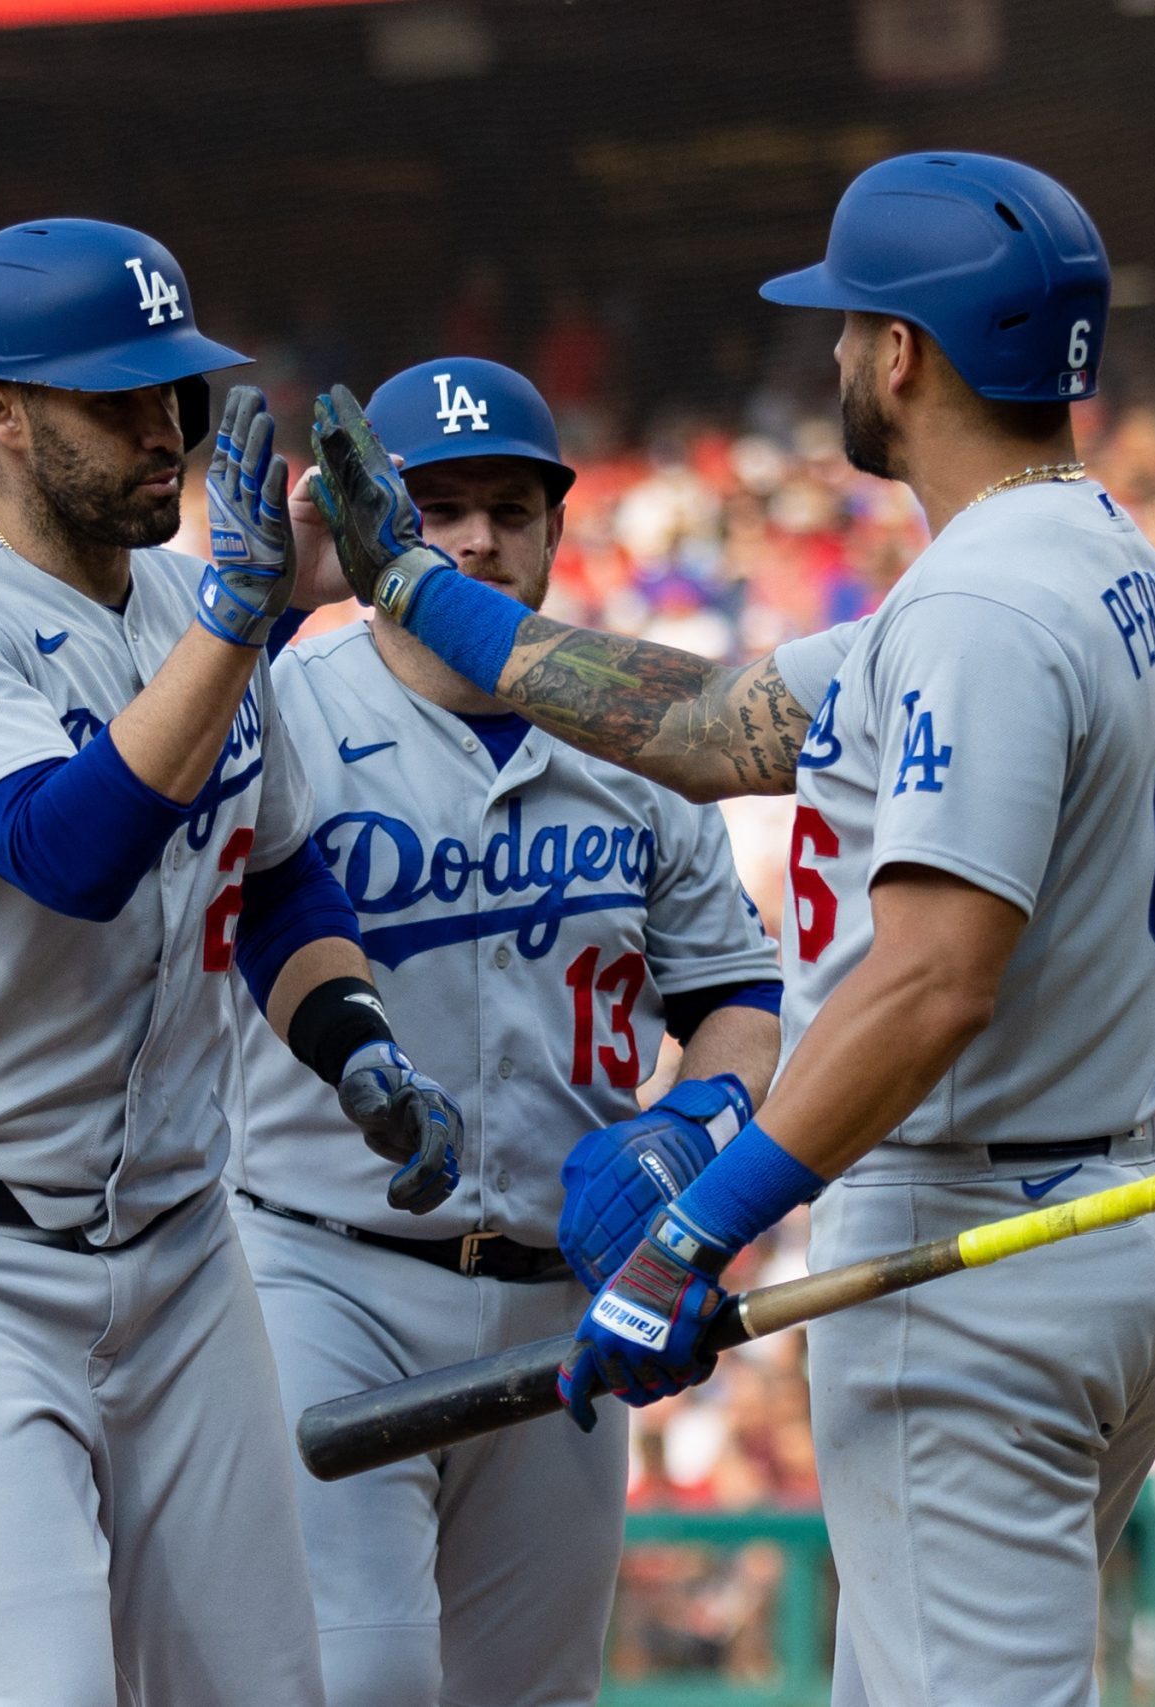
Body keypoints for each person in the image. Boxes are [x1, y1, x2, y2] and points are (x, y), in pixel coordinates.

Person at [307, 151, 1155, 1706]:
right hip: (1097, 1216)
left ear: (907, 354)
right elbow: (718, 724)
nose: (836, 356)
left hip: (974, 1253)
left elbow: (930, 986)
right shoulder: (1093, 556)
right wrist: (412, 586)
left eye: (850, 327)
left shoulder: (976, 612)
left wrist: (696, 1224)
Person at [0, 219, 462, 1707]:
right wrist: (243, 620)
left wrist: (359, 1046)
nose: (167, 432)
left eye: (179, 394)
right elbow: (70, 856)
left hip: (170, 1240)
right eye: (119, 403)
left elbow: (273, 874)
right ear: (0, 416)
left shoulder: (178, 599)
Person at [230, 356, 783, 1707]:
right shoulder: (287, 705)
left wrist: (693, 1123)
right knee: (356, 1682)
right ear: (379, 526)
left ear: (554, 527)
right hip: (321, 1270)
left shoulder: (631, 742)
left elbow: (737, 1004)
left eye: (511, 508)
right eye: (442, 506)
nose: (477, 538)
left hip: (560, 1292)